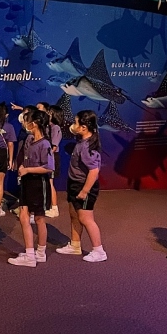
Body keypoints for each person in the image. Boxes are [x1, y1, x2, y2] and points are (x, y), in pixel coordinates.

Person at [57, 110, 107, 263]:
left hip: (84, 186)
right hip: (74, 183)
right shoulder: (82, 141)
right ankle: (75, 245)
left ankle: (99, 251)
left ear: (84, 127)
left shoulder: (87, 147)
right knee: (74, 214)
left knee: (86, 219)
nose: (73, 125)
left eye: (76, 122)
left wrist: (85, 191)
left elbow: (94, 171)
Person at [8, 108, 54, 268]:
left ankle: (36, 254)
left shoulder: (45, 144)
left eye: (27, 121)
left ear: (34, 124)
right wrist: (22, 166)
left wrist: (28, 170)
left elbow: (48, 167)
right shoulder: (29, 139)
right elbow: (26, 158)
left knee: (39, 218)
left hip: (38, 184)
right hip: (27, 182)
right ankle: (33, 253)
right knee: (24, 215)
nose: (24, 123)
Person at [37, 102, 63, 219]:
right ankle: (47, 206)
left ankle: (54, 208)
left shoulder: (55, 128)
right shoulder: (47, 127)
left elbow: (54, 146)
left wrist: (46, 156)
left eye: (50, 113)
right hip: (47, 157)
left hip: (52, 158)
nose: (48, 114)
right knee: (46, 182)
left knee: (50, 182)